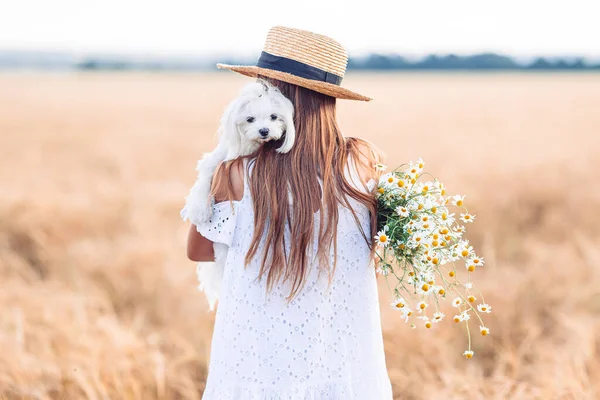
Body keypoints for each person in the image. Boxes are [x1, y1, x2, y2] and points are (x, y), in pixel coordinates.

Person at [184, 26, 393, 399]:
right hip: (340, 352)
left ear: (281, 98)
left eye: (267, 86)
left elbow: (198, 251)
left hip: (256, 356)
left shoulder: (235, 172)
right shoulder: (363, 161)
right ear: (328, 100)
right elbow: (374, 247)